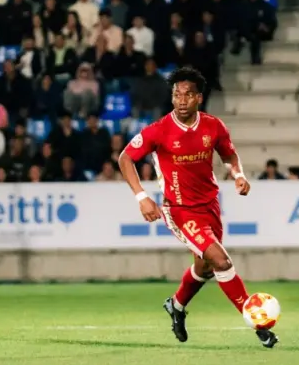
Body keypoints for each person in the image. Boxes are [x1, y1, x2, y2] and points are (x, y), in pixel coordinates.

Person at [118, 67, 278, 348]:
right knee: (221, 261)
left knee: (204, 268)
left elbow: (228, 153)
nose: (181, 100)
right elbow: (125, 158)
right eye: (176, 94)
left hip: (210, 206)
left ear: (199, 99)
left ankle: (176, 306)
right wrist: (141, 196)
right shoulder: (159, 130)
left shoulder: (213, 126)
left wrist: (238, 175)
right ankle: (258, 324)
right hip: (179, 210)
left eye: (187, 95)